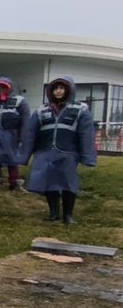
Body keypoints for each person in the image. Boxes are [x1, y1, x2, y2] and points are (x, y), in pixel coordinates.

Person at [16, 76, 96, 225]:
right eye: (55, 88)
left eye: (62, 88)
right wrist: (24, 156)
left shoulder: (80, 110)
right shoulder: (42, 110)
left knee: (68, 184)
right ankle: (53, 213)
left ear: (69, 90)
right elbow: (30, 134)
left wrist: (87, 157)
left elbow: (86, 135)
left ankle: (68, 216)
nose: (58, 91)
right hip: (45, 151)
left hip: (68, 153)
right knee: (49, 182)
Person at [0, 77, 30, 190]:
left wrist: (23, 137)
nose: (1, 89)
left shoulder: (20, 101)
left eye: (4, 87)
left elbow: (25, 120)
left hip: (12, 135)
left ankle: (14, 181)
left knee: (12, 158)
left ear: (10, 88)